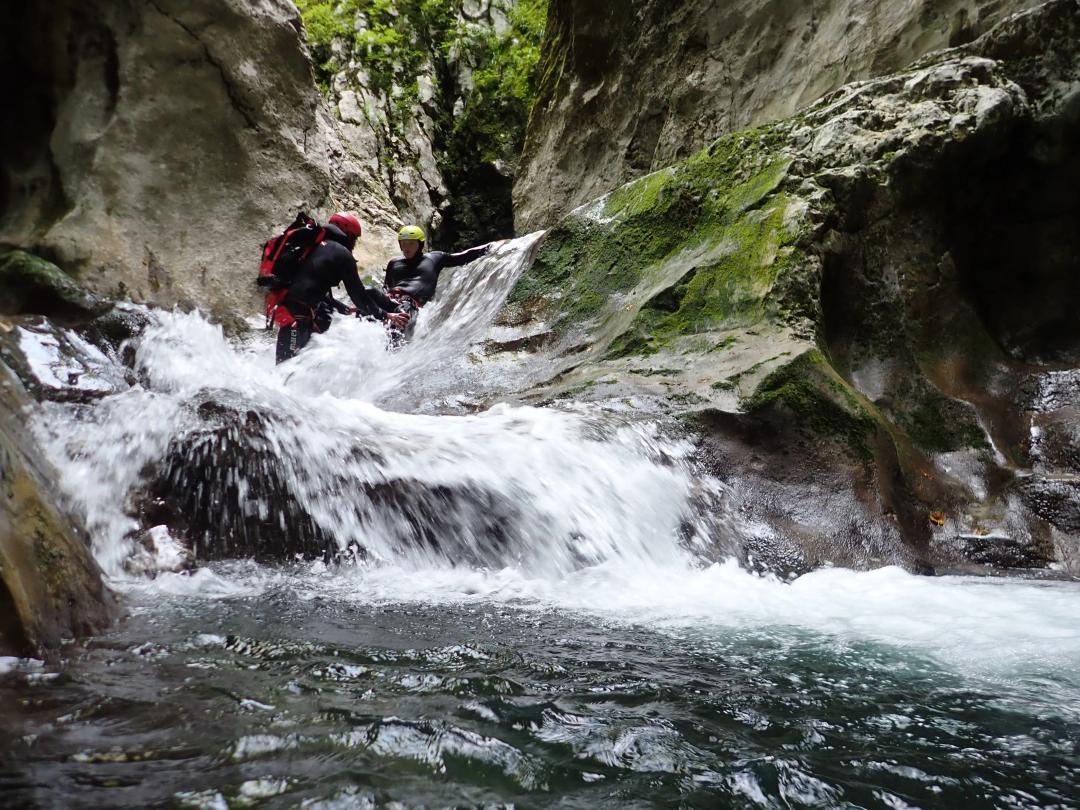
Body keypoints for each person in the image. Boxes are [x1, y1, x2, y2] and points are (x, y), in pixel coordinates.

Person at [275, 212, 410, 363]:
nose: (354, 244)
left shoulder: (317, 247)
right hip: (298, 314)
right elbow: (359, 295)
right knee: (287, 366)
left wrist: (345, 309)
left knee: (288, 365)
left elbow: (317, 290)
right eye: (355, 239)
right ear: (348, 234)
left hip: (290, 309)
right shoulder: (342, 254)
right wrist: (386, 315)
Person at [382, 224, 492, 344]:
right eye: (403, 244)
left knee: (404, 311)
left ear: (420, 245)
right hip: (392, 299)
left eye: (411, 244)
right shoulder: (393, 263)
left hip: (411, 304)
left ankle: (394, 349)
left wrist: (489, 248)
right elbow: (386, 288)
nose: (406, 247)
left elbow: (462, 257)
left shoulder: (434, 258)